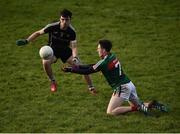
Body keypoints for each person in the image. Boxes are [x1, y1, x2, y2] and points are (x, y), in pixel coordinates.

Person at [62, 39, 168, 115]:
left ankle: (137, 107)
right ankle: (153, 105)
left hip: (122, 87)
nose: (97, 50)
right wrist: (77, 67)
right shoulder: (112, 56)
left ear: (103, 50)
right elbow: (92, 66)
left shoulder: (103, 62)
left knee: (111, 112)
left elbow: (88, 70)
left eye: (98, 48)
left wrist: (72, 69)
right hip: (129, 84)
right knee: (140, 107)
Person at [16, 9, 96, 94]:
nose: (64, 22)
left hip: (65, 51)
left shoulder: (72, 31)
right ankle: (53, 81)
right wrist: (27, 41)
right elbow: (38, 33)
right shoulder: (52, 26)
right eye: (62, 19)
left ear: (70, 20)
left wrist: (75, 57)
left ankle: (91, 87)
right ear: (60, 19)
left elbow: (74, 47)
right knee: (45, 63)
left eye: (67, 20)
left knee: (81, 67)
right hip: (52, 50)